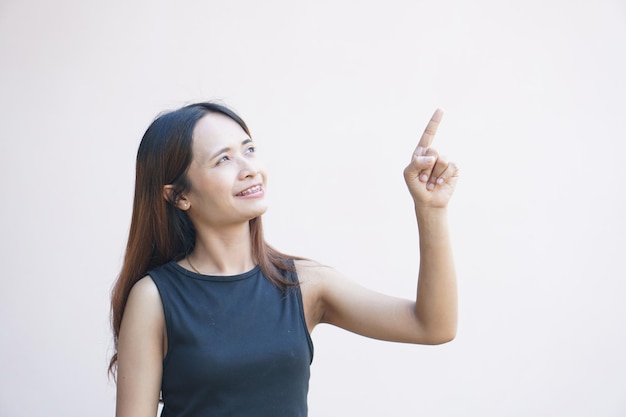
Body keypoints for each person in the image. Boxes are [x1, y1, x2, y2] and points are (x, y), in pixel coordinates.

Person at [109, 101, 459, 417]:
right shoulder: (154, 298)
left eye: (249, 150)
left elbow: (433, 326)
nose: (249, 169)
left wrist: (431, 210)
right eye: (224, 159)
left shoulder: (303, 284)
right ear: (179, 195)